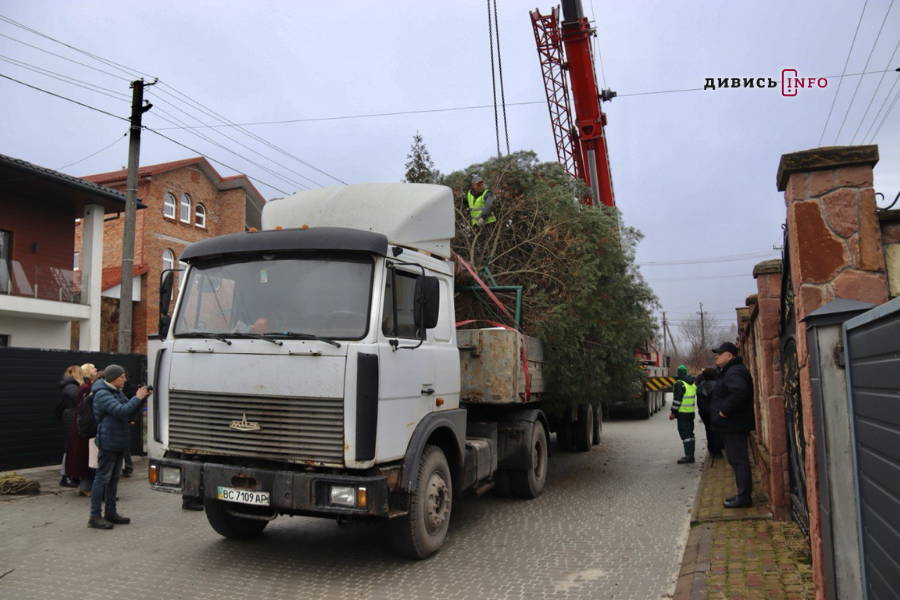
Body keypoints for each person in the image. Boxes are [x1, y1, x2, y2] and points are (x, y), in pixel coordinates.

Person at [88, 365, 151, 530]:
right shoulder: (103, 394)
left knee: (114, 478)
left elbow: (129, 411)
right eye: (121, 377)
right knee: (101, 478)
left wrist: (142, 398)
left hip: (118, 441)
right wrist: (137, 398)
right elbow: (121, 411)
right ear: (112, 378)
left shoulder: (116, 391)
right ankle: (94, 516)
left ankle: (110, 512)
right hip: (108, 441)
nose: (124, 380)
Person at [709, 341, 755, 509]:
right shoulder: (731, 370)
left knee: (738, 459)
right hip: (732, 425)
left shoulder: (734, 371)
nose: (717, 356)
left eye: (720, 354)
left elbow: (739, 392)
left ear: (729, 356)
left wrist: (724, 411)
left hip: (735, 424)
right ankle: (741, 494)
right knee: (735, 459)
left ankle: (744, 497)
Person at [66, 363, 98, 496]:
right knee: (85, 458)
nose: (95, 369)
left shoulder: (85, 387)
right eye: (92, 368)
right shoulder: (86, 388)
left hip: (82, 427)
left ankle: (86, 486)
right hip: (84, 429)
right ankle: (85, 487)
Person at [58, 365, 84, 488]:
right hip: (71, 418)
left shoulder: (69, 386)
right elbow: (79, 400)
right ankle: (66, 476)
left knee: (71, 446)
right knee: (69, 446)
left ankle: (72, 475)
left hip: (71, 417)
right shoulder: (71, 387)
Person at [668, 364, 697, 463]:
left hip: (682, 413)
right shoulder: (692, 384)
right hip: (691, 412)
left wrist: (673, 413)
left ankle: (689, 456)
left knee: (685, 434)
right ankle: (691, 454)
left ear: (678, 373)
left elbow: (677, 400)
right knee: (690, 433)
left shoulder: (679, 384)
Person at [695, 367, 723, 458]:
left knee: (708, 430)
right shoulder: (718, 385)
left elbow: (699, 401)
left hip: (704, 411)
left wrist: (700, 411)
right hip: (714, 411)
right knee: (717, 431)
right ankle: (718, 451)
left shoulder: (700, 386)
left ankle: (711, 450)